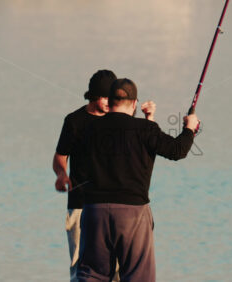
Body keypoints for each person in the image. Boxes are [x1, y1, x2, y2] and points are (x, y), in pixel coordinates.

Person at [77, 78, 199, 281]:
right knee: (137, 276)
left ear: (110, 101)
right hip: (132, 212)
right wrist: (189, 128)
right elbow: (177, 150)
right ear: (134, 103)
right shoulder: (145, 129)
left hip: (94, 212)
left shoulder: (88, 129)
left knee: (91, 276)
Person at [53, 71, 156, 282]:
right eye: (105, 98)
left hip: (117, 209)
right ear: (92, 97)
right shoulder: (75, 121)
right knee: (81, 270)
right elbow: (60, 156)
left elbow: (143, 142)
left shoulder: (120, 121)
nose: (110, 103)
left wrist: (149, 119)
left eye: (112, 98)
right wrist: (62, 174)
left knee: (119, 274)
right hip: (82, 205)